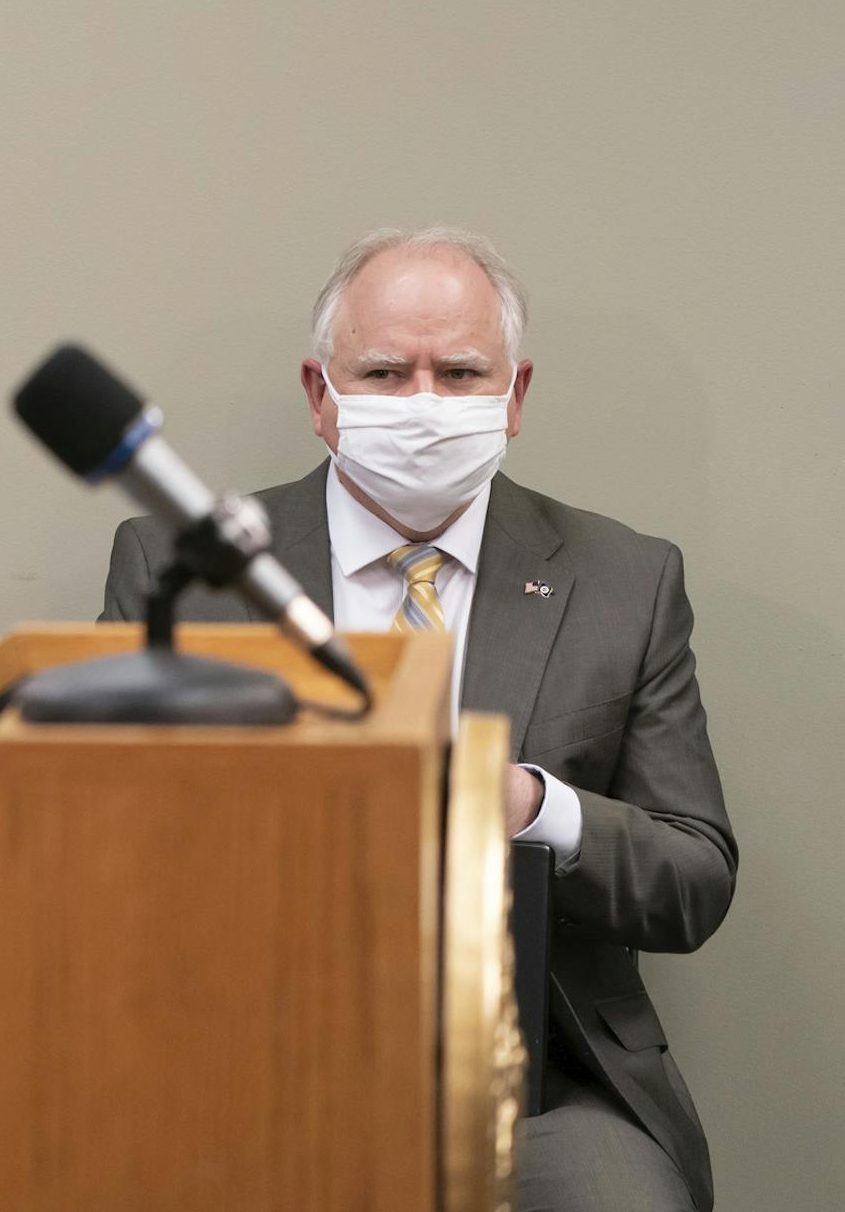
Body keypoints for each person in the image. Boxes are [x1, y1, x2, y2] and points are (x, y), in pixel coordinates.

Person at [100, 227, 734, 1211]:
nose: (425, 405)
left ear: (514, 396)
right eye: (387, 372)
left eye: (462, 372)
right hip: (243, 1059)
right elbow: (101, 847)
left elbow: (695, 878)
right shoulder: (184, 568)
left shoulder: (624, 581)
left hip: (539, 1084)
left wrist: (531, 804)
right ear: (322, 395)